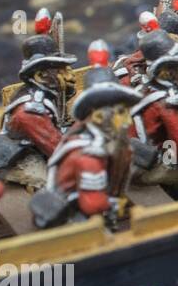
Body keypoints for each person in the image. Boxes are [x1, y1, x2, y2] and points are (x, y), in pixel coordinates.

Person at [33, 41, 141, 229]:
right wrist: (114, 204)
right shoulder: (88, 156)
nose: (126, 120)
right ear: (99, 117)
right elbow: (92, 203)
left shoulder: (107, 139)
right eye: (120, 113)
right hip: (76, 208)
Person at [0, 9, 77, 189]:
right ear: (41, 76)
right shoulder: (31, 112)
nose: (69, 75)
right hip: (25, 153)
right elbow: (56, 148)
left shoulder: (43, 93)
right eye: (61, 71)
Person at [129, 29, 178, 197]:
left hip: (136, 152)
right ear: (164, 71)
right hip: (151, 161)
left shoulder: (143, 88)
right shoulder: (169, 102)